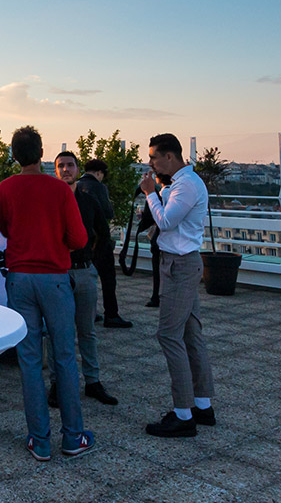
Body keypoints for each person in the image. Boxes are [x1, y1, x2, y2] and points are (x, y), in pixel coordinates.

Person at [0, 126, 95, 461]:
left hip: (20, 278)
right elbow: (79, 239)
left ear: (14, 155)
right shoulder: (59, 190)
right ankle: (72, 436)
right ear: (41, 154)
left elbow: (5, 228)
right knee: (65, 357)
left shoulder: (6, 188)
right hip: (54, 277)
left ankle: (38, 439)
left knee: (29, 359)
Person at [138, 133, 216, 438]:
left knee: (169, 335)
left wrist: (149, 194)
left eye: (154, 157)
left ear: (170, 156)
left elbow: (167, 222)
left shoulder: (186, 184)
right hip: (181, 263)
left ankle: (183, 415)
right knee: (190, 333)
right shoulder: (180, 183)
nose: (151, 162)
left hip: (180, 266)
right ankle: (202, 405)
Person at [54, 151, 117, 404]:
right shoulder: (50, 202)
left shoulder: (89, 202)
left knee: (87, 331)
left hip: (83, 271)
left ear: (78, 169)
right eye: (61, 166)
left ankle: (93, 381)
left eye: (70, 165)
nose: (66, 169)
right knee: (59, 332)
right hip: (57, 273)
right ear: (55, 171)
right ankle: (58, 384)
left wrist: (93, 262)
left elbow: (103, 234)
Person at [83, 159, 130, 328]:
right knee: (108, 278)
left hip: (83, 241)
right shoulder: (99, 187)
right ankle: (111, 314)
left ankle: (89, 312)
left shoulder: (76, 186)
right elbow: (108, 212)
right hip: (100, 239)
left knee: (86, 278)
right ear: (99, 172)